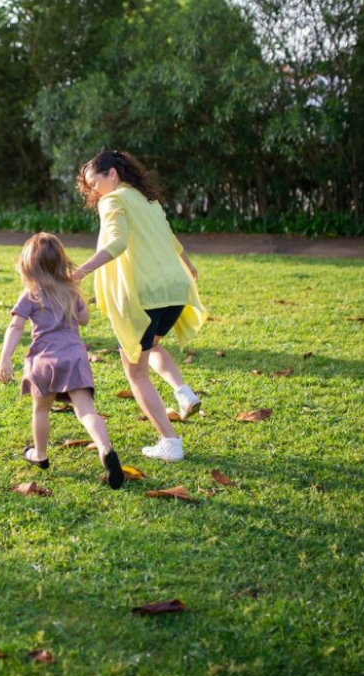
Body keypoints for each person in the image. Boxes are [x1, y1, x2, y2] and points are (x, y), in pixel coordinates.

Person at [73, 150, 207, 463]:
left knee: (136, 372)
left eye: (96, 182)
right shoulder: (149, 201)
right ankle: (183, 392)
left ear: (113, 175)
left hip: (145, 296)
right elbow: (171, 239)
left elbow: (116, 243)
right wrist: (188, 266)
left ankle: (169, 442)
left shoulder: (113, 200)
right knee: (151, 345)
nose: (94, 191)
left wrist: (80, 271)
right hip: (174, 290)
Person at [0, 232, 124, 489]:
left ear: (28, 266)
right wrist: (76, 294)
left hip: (43, 359)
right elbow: (85, 319)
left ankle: (40, 455)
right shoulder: (69, 291)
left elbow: (15, 326)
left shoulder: (30, 294)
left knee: (41, 409)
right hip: (74, 356)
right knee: (86, 411)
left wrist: (5, 358)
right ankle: (105, 449)